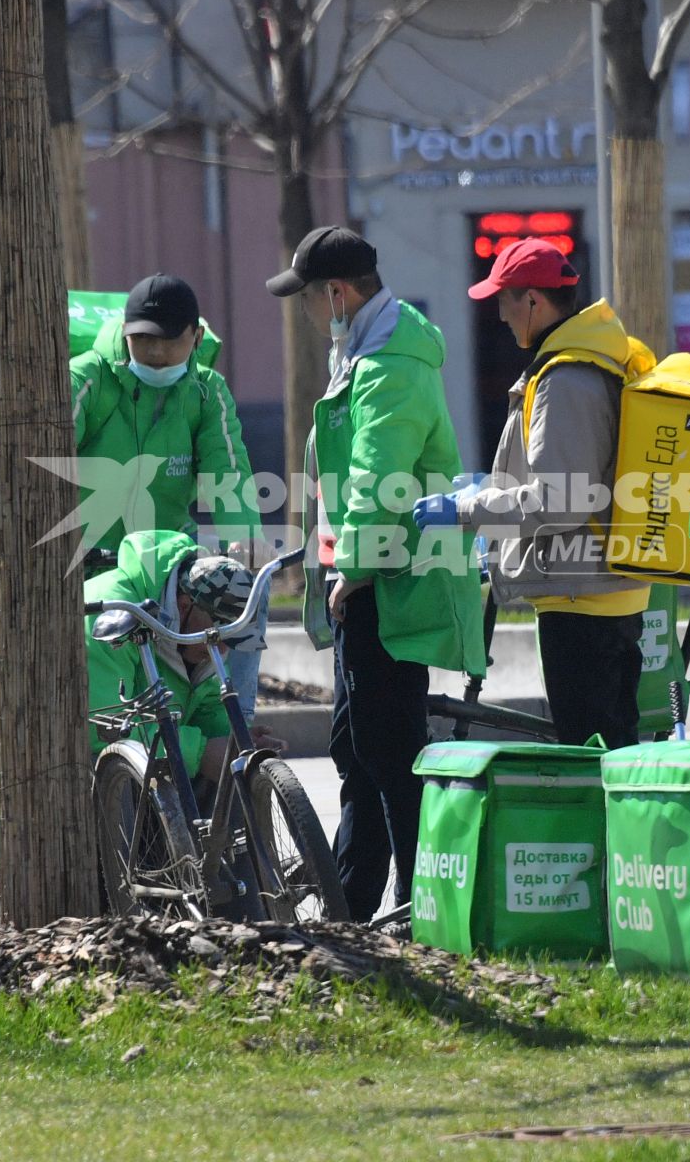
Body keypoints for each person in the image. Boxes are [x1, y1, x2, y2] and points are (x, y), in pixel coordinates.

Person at [267, 224, 486, 922]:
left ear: (337, 293)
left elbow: (377, 474)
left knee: (387, 750)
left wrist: (353, 570)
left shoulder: (388, 361)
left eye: (306, 297)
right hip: (374, 580)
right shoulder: (364, 350)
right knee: (356, 748)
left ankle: (422, 905)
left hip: (388, 585)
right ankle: (353, 903)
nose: (303, 311)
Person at [410, 237, 653, 748]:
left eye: (504, 299)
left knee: (593, 760)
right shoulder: (593, 360)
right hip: (599, 589)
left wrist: (466, 510)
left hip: (581, 599)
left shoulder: (565, 379)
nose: (500, 314)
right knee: (612, 752)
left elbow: (560, 500)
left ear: (534, 301)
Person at [69, 273, 267, 722]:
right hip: (90, 564)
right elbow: (43, 459)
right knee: (107, 704)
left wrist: (245, 538)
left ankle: (235, 735)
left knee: (248, 596)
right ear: (124, 334)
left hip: (168, 568)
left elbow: (228, 469)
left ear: (196, 337)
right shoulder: (86, 379)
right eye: (144, 342)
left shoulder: (207, 390)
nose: (157, 356)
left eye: (170, 343)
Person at [0, 530, 271, 786]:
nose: (224, 649)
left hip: (74, 743)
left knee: (224, 784)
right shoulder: (109, 615)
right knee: (131, 788)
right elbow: (100, 726)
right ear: (185, 603)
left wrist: (231, 741)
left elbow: (206, 708)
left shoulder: (200, 630)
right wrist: (202, 752)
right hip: (10, 740)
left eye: (233, 640)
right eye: (221, 634)